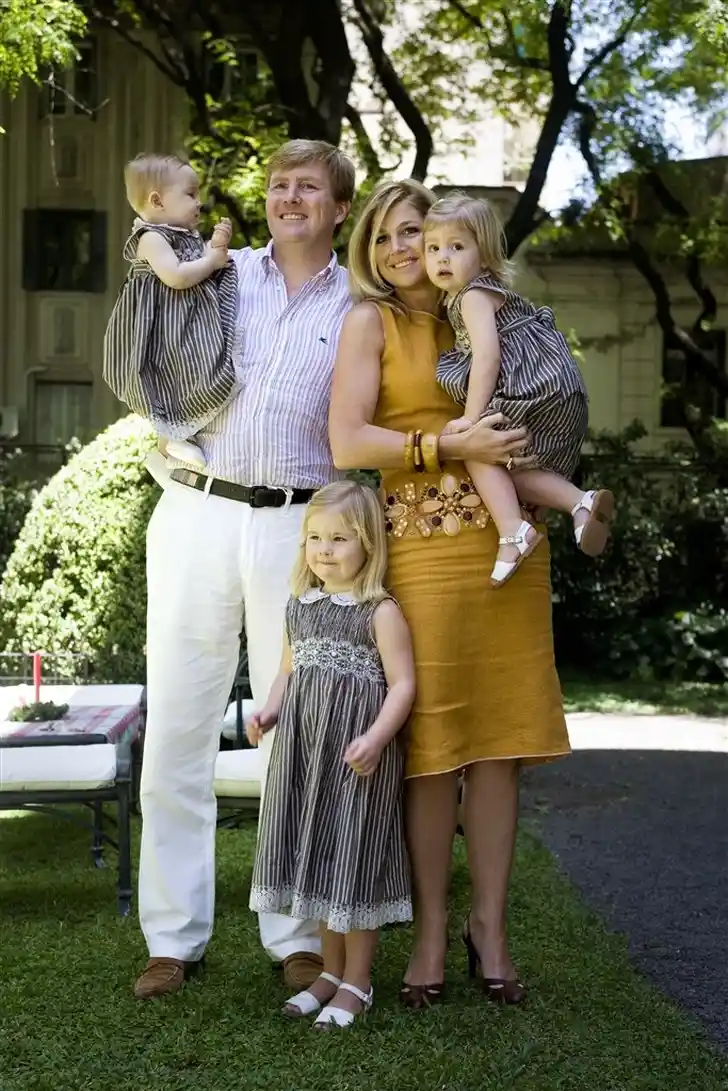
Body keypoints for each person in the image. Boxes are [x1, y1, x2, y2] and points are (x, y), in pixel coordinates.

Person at [329, 178, 571, 1011]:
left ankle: (489, 929)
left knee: (500, 745)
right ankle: (431, 931)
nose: (404, 249)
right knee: (432, 749)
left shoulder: (484, 305)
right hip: (423, 548)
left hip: (508, 546)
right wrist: (443, 443)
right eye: (388, 236)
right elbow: (347, 439)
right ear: (370, 249)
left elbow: (543, 396)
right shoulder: (372, 322)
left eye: (416, 232)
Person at [133, 139, 356, 1001]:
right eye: (278, 185)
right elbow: (146, 336)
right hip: (195, 508)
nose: (288, 197)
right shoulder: (217, 271)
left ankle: (295, 936)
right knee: (178, 725)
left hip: (301, 526)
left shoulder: (359, 300)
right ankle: (172, 938)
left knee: (292, 730)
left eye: (309, 187)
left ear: (340, 208)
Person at [247, 481, 415, 1028]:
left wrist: (377, 738)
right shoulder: (299, 606)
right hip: (305, 757)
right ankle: (330, 973)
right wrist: (270, 711)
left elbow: (403, 685)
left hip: (354, 759)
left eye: (340, 538)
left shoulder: (379, 611)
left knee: (353, 859)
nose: (324, 549)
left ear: (368, 543)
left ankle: (358, 982)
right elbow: (287, 672)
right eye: (315, 537)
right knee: (318, 857)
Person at [423, 192, 614, 588]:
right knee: (514, 468)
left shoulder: (472, 297)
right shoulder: (490, 291)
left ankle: (512, 530)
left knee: (478, 451)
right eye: (433, 248)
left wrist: (471, 418)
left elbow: (487, 357)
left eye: (456, 247)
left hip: (532, 388)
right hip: (562, 391)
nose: (443, 258)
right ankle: (579, 502)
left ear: (484, 256)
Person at [103, 153, 239, 470]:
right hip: (163, 328)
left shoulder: (183, 237)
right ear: (157, 200)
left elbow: (203, 264)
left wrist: (216, 248)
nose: (199, 202)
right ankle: (171, 438)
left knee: (200, 371)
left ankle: (180, 436)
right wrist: (210, 262)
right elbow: (176, 276)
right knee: (173, 375)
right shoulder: (151, 238)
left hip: (188, 321)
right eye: (190, 194)